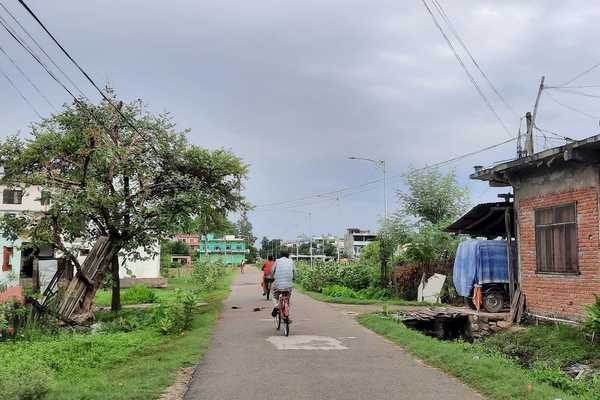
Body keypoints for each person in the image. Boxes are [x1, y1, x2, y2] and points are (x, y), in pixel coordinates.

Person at [267, 249, 296, 322]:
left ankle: (276, 306)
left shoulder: (277, 261)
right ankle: (288, 316)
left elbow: (272, 271)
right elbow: (295, 273)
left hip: (278, 285)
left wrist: (270, 277)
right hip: (289, 285)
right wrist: (293, 278)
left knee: (274, 295)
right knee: (288, 299)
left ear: (280, 255)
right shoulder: (291, 261)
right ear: (288, 255)